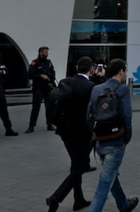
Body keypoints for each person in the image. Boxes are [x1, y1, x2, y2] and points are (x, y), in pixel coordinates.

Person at [88, 59, 138, 212]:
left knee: (110, 175)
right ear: (121, 71)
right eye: (126, 70)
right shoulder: (123, 89)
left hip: (100, 141)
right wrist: (126, 137)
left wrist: (95, 133)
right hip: (116, 141)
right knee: (104, 184)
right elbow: (127, 116)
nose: (126, 73)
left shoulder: (96, 89)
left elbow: (88, 115)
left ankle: (123, 205)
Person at [46, 57, 96, 212]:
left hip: (65, 130)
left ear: (76, 68)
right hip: (82, 132)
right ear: (92, 69)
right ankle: (56, 197)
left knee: (76, 165)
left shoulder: (65, 81)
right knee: (80, 167)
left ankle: (78, 199)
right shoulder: (90, 86)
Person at [26, 46, 57, 133]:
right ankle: (31, 126)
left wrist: (51, 81)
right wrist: (40, 76)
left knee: (49, 107)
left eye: (47, 52)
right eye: (45, 52)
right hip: (38, 88)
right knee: (36, 107)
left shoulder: (48, 63)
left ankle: (49, 124)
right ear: (41, 52)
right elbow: (30, 75)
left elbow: (53, 73)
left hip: (48, 87)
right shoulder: (35, 63)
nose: (47, 53)